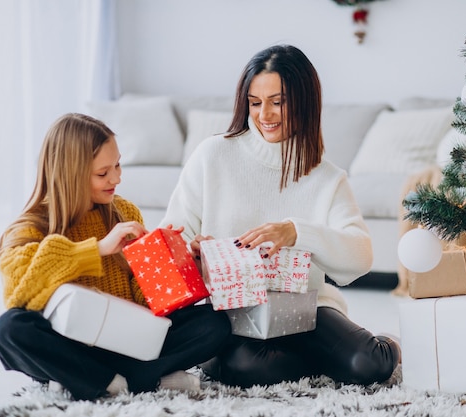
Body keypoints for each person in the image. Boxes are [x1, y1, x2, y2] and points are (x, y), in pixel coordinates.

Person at [159, 44, 401, 387]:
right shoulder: (213, 155)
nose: (265, 115)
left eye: (278, 102)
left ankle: (364, 351)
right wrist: (195, 257)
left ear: (304, 101)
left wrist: (295, 232)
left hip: (307, 311)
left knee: (369, 364)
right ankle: (323, 363)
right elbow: (171, 242)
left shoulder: (327, 178)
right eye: (255, 103)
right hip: (235, 314)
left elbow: (361, 257)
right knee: (247, 369)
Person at [0, 113, 231, 401]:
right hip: (69, 345)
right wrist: (97, 249)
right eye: (103, 173)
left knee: (214, 324)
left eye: (117, 165)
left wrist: (172, 264)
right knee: (9, 330)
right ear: (71, 175)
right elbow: (17, 292)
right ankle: (141, 378)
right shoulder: (33, 224)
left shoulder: (125, 212)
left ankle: (91, 379)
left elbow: (147, 307)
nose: (116, 178)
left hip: (129, 342)